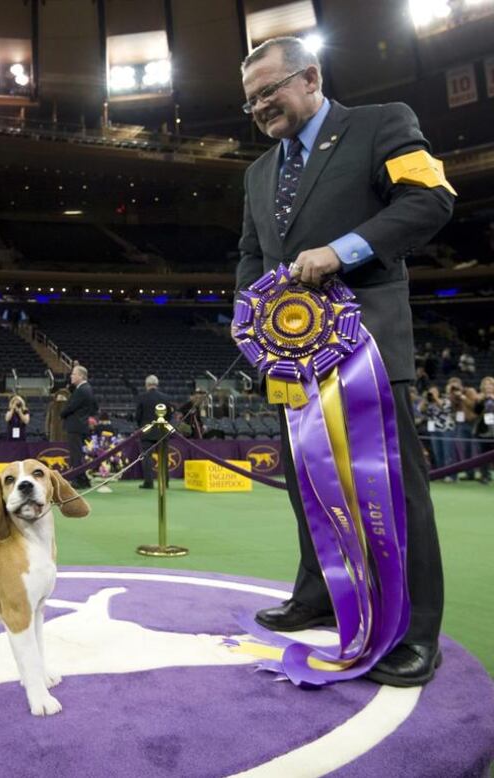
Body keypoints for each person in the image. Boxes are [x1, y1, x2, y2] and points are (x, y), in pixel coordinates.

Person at [237, 36, 453, 686]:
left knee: (396, 492)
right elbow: (251, 253)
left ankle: (418, 634)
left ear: (310, 76)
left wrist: (343, 250)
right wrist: (248, 319)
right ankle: (318, 594)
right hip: (290, 359)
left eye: (269, 90)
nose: (260, 107)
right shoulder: (257, 173)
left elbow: (431, 199)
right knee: (307, 483)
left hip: (367, 349)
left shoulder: (382, 123)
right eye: (250, 100)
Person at [60, 365, 98, 489]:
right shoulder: (88, 388)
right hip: (80, 425)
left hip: (75, 426)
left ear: (81, 376)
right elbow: (95, 407)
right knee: (78, 454)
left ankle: (78, 480)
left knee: (75, 455)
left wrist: (62, 413)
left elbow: (71, 407)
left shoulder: (82, 390)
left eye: (73, 374)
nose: (71, 376)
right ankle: (83, 479)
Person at [135, 375, 174, 489]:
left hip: (147, 431)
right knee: (164, 457)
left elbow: (138, 416)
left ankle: (149, 482)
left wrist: (141, 426)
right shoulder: (166, 397)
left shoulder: (142, 397)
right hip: (162, 431)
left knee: (147, 457)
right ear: (157, 384)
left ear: (147, 385)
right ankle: (165, 482)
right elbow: (169, 415)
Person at [473, 376, 494, 485]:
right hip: (483, 431)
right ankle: (485, 476)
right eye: (486, 385)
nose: (488, 387)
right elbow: (476, 412)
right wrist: (481, 401)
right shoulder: (480, 398)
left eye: (490, 384)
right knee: (483, 455)